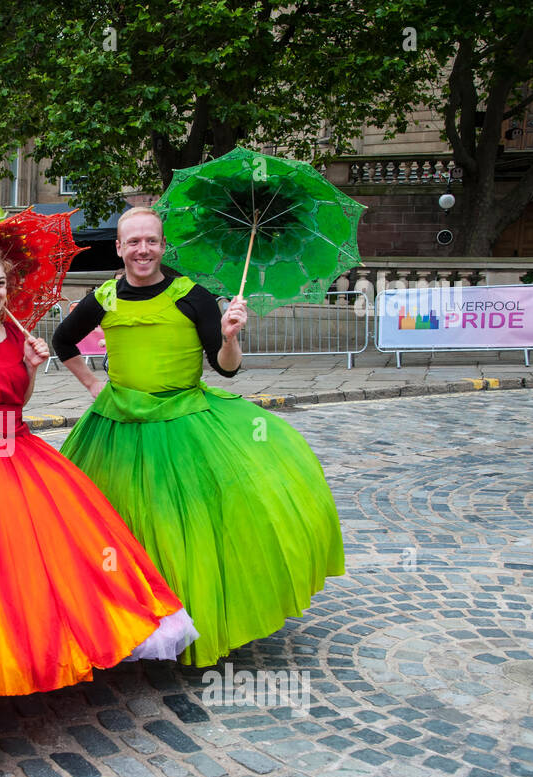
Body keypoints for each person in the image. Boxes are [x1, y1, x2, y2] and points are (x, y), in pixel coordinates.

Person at [0, 243, 197, 696]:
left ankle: (42, 645)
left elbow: (18, 401)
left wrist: (31, 366)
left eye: (0, 285)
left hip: (18, 448)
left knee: (44, 552)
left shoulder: (14, 337)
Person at [52, 206, 345, 667]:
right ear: (119, 248)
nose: (142, 249)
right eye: (133, 242)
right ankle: (128, 622)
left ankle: (186, 617)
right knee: (113, 527)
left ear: (163, 245)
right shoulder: (104, 297)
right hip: (117, 428)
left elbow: (227, 368)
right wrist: (92, 384)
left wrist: (229, 336)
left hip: (183, 425)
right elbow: (63, 341)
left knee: (182, 528)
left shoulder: (193, 297)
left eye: (151, 240)